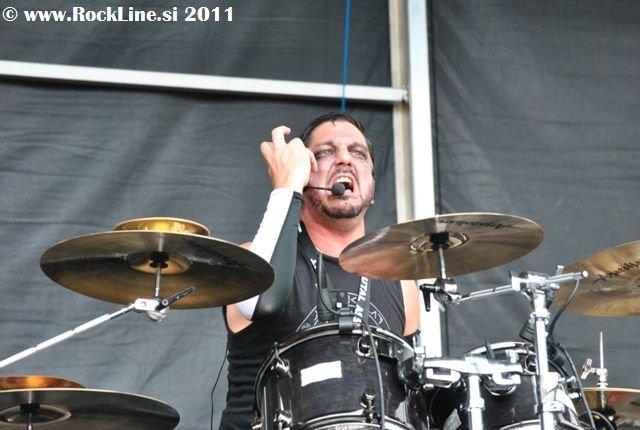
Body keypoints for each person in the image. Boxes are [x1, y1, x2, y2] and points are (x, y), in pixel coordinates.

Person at [220, 112, 421, 429]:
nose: (345, 159)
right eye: (325, 152)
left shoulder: (400, 282)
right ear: (303, 171)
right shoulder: (250, 259)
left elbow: (411, 397)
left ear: (372, 183)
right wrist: (287, 186)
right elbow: (262, 301)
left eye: (358, 153)